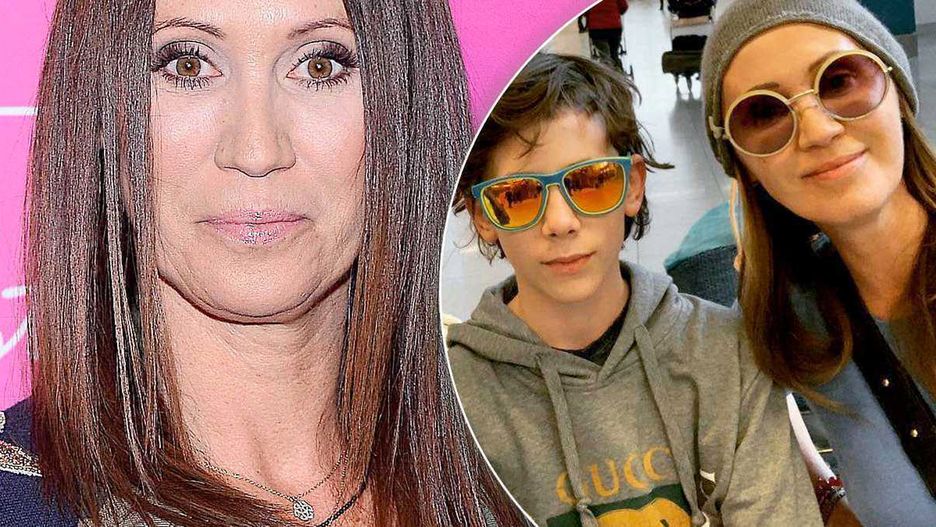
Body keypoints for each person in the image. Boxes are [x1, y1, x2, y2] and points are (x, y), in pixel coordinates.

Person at [0, 1, 526, 526]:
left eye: (320, 65)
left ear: (409, 108)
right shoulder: (15, 500)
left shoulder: (522, 481)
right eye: (188, 64)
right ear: (100, 112)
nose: (257, 151)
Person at [446, 52, 821, 527]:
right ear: (482, 215)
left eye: (590, 182)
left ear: (632, 186)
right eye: (519, 195)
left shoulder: (726, 355)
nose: (560, 222)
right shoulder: (449, 402)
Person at [702, 0, 936, 525]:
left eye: (839, 80)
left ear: (897, 91)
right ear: (745, 164)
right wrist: (828, 496)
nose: (818, 131)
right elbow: (747, 402)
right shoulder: (792, 318)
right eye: (765, 113)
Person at [583, 0, 628, 72]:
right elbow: (624, 7)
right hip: (614, 27)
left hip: (597, 30)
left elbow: (585, 11)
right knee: (614, 54)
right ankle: (619, 73)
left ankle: (607, 74)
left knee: (605, 55)